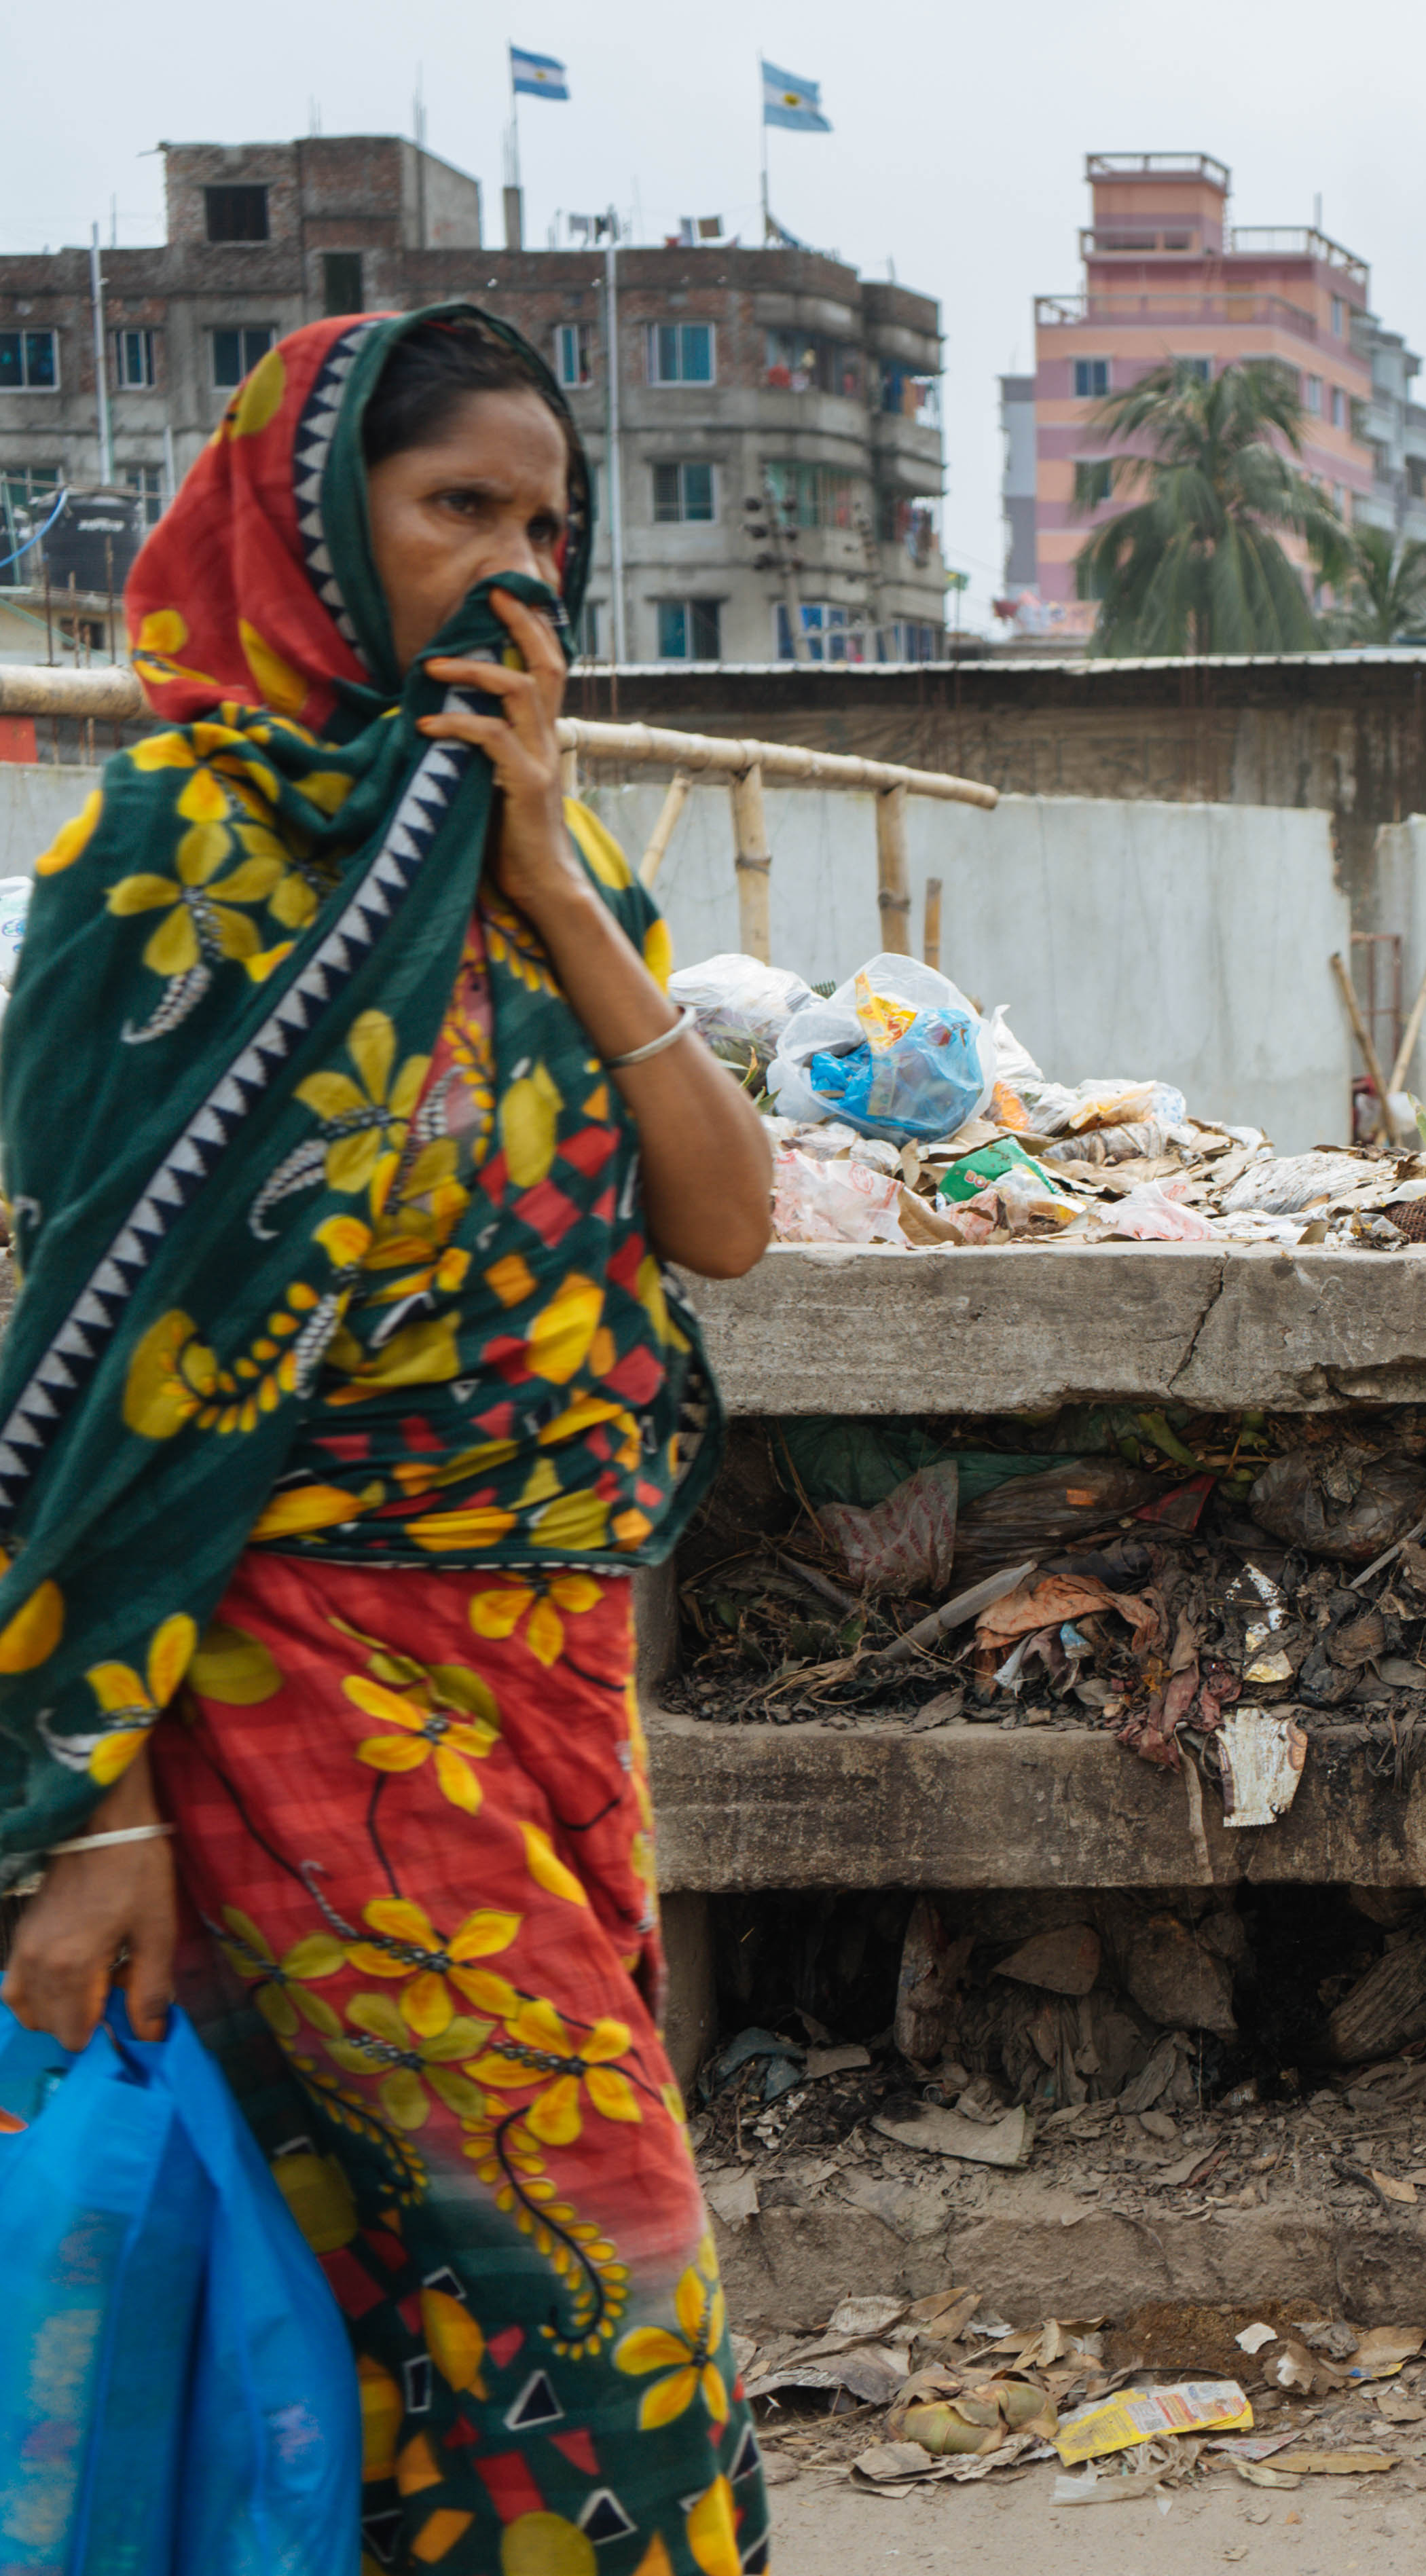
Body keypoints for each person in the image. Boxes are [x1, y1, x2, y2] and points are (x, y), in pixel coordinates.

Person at [0, 307, 776, 2573]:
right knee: (607, 2274)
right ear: (316, 528)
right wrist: (95, 1813)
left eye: (548, 525)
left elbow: (719, 1218)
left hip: (547, 1692)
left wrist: (542, 866)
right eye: (459, 512)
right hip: (291, 1699)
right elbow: (72, 1373)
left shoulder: (553, 867)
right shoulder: (170, 863)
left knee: (386, 2304)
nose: (513, 572)